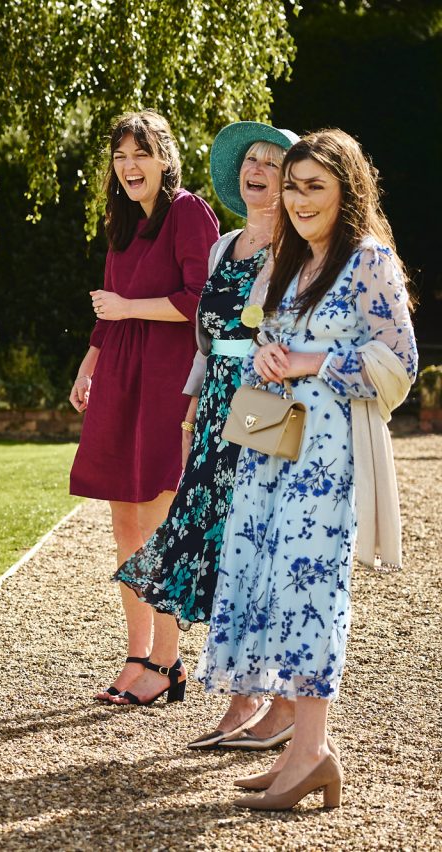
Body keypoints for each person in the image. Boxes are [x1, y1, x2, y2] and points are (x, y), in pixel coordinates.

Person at [197, 129, 416, 810]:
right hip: (270, 447)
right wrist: (269, 353)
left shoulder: (369, 261)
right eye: (293, 185)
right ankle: (300, 751)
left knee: (312, 589)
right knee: (269, 583)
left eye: (314, 186)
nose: (298, 199)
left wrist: (312, 363)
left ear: (347, 191)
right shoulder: (292, 261)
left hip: (329, 458)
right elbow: (272, 334)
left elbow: (400, 366)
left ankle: (314, 751)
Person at [112, 122, 302, 754]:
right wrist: (192, 410)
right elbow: (204, 338)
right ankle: (243, 695)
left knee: (259, 541)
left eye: (273, 163)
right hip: (219, 400)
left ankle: (277, 702)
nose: (258, 170)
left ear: (292, 181)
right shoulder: (224, 246)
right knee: (220, 545)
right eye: (251, 160)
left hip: (268, 401)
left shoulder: (299, 252)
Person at [69, 111, 219, 704]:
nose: (129, 166)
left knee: (157, 520)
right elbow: (106, 312)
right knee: (125, 520)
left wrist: (127, 307)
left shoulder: (188, 212)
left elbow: (201, 301)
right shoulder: (123, 220)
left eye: (142, 153)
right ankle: (136, 654)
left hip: (165, 379)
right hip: (121, 375)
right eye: (120, 156)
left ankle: (169, 660)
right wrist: (87, 367)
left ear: (165, 158)